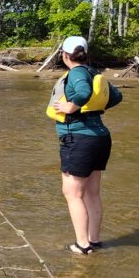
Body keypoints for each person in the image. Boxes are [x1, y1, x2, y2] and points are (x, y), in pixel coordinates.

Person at [48, 35, 122, 255]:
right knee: (92, 193)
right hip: (99, 137)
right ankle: (94, 241)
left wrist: (72, 106)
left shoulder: (78, 72)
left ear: (64, 55)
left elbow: (82, 93)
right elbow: (116, 96)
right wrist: (94, 107)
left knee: (73, 193)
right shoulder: (93, 72)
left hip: (79, 139)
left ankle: (82, 245)